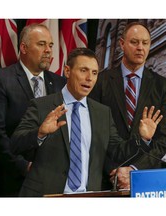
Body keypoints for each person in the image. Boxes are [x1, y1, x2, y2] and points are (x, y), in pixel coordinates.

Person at [10, 47, 163, 197]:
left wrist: (143, 138)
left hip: (88, 198)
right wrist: (40, 133)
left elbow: (118, 152)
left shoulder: (102, 113)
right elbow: (15, 144)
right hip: (46, 196)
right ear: (67, 71)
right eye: (84, 70)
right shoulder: (42, 106)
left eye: (94, 73)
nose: (90, 78)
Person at [0, 23, 66, 196]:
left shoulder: (60, 83)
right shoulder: (1, 79)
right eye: (41, 44)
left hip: (53, 179)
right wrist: (22, 166)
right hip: (14, 180)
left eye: (50, 45)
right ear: (24, 47)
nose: (48, 50)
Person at [89, 22, 166, 189]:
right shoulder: (100, 82)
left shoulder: (162, 86)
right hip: (105, 179)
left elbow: (163, 140)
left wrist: (134, 171)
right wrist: (113, 171)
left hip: (147, 179)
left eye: (145, 43)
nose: (140, 48)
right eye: (134, 42)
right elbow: (94, 134)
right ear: (122, 44)